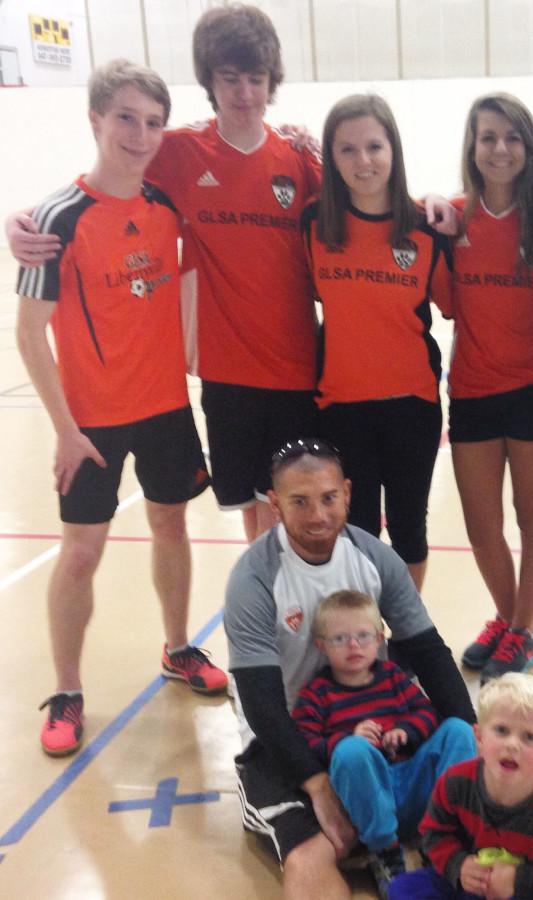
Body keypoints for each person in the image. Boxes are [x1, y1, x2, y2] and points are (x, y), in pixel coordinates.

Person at [223, 438, 533, 900]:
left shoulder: (372, 557)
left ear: (348, 494)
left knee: (496, 793)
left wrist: (473, 736)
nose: (317, 514)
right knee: (314, 850)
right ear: (274, 503)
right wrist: (316, 785)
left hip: (378, 729)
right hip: (290, 745)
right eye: (300, 502)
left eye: (328, 497)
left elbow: (428, 651)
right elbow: (262, 703)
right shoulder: (255, 577)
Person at [7, 4, 321, 543]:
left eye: (255, 79)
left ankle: (296, 622)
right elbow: (104, 180)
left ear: (271, 83)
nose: (243, 92)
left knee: (297, 513)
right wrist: (22, 220)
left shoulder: (299, 160)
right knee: (254, 513)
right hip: (225, 375)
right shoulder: (177, 151)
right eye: (230, 78)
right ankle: (268, 622)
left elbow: (372, 207)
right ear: (209, 80)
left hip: (298, 370)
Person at [14, 59, 227, 758]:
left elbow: (194, 271)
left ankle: (176, 648)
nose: (140, 135)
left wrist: (193, 350)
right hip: (92, 424)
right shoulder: (56, 218)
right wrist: (66, 431)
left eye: (153, 122)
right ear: (96, 120)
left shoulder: (168, 206)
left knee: (171, 527)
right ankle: (68, 690)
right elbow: (28, 330)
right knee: (80, 554)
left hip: (166, 408)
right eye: (126, 118)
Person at [301, 94, 452, 591]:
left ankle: (406, 637)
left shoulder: (427, 228)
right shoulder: (313, 225)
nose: (363, 162)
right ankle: (363, 643)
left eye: (374, 146)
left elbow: (455, 305)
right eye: (347, 150)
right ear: (331, 157)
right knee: (356, 531)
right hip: (341, 406)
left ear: (394, 150)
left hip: (412, 403)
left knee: (409, 529)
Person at [449, 94, 533, 683]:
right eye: (488, 136)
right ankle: (509, 614)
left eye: (512, 137)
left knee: (531, 515)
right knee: (480, 522)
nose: (500, 149)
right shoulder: (450, 216)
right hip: (471, 388)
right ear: (472, 146)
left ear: (529, 146)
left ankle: (522, 630)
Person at [293, 590, 476, 897]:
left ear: (379, 639)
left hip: (414, 787)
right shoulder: (317, 694)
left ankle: (443, 834)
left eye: (363, 636)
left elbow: (426, 713)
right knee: (352, 752)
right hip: (368, 801)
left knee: (457, 730)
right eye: (340, 639)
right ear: (321, 646)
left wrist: (407, 731)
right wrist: (347, 740)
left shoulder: (392, 676)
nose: (353, 645)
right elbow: (306, 741)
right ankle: (385, 852)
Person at [389, 673, 533, 899]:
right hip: (465, 878)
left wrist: (518, 881)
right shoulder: (454, 782)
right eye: (501, 730)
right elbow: (433, 833)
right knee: (401, 889)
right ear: (479, 736)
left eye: (529, 737)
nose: (512, 744)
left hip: (516, 894)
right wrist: (458, 865)